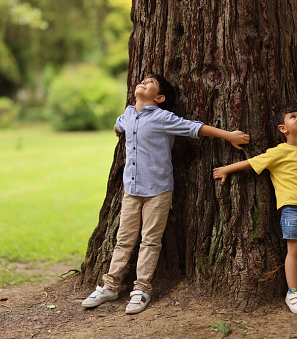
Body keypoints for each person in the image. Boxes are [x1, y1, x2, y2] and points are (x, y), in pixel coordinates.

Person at [82, 74, 250, 314]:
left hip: (158, 190)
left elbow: (195, 128)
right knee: (124, 239)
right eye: (143, 80)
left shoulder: (163, 117)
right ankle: (110, 286)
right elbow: (118, 127)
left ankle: (141, 289)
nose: (143, 82)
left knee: (150, 241)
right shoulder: (128, 114)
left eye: (150, 83)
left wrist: (229, 136)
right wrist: (120, 128)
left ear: (159, 97)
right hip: (131, 189)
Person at [212, 102, 297, 316]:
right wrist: (227, 169)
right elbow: (252, 163)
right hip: (291, 209)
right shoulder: (277, 153)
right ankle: (293, 292)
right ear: (283, 129)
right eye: (293, 117)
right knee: (295, 250)